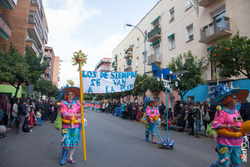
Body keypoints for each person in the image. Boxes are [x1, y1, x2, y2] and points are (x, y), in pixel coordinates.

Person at [210, 88, 249, 167]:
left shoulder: (236, 111)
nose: (237, 100)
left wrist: (244, 129)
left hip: (237, 142)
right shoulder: (222, 111)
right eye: (235, 98)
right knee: (223, 161)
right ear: (229, 100)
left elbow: (240, 122)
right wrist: (230, 126)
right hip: (225, 142)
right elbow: (215, 124)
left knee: (236, 163)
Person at [59, 91, 82, 165]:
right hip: (66, 126)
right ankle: (64, 158)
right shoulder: (63, 103)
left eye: (72, 94)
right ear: (66, 95)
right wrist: (76, 114)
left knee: (73, 142)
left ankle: (70, 158)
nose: (70, 96)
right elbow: (64, 113)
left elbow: (81, 112)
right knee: (66, 142)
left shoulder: (77, 103)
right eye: (69, 94)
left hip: (76, 127)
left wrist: (83, 105)